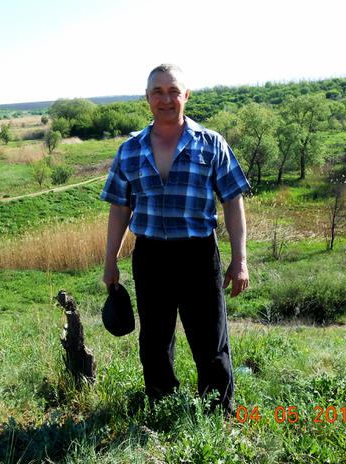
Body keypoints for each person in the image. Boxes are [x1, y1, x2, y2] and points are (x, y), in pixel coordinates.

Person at [100, 63, 250, 412]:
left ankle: (217, 410)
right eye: (158, 92)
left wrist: (240, 259)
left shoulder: (211, 143)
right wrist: (110, 262)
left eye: (173, 91)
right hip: (150, 255)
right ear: (147, 98)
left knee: (210, 338)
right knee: (154, 339)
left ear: (187, 95)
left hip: (198, 254)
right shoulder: (130, 149)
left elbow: (232, 201)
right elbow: (120, 208)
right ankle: (162, 404)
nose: (165, 99)